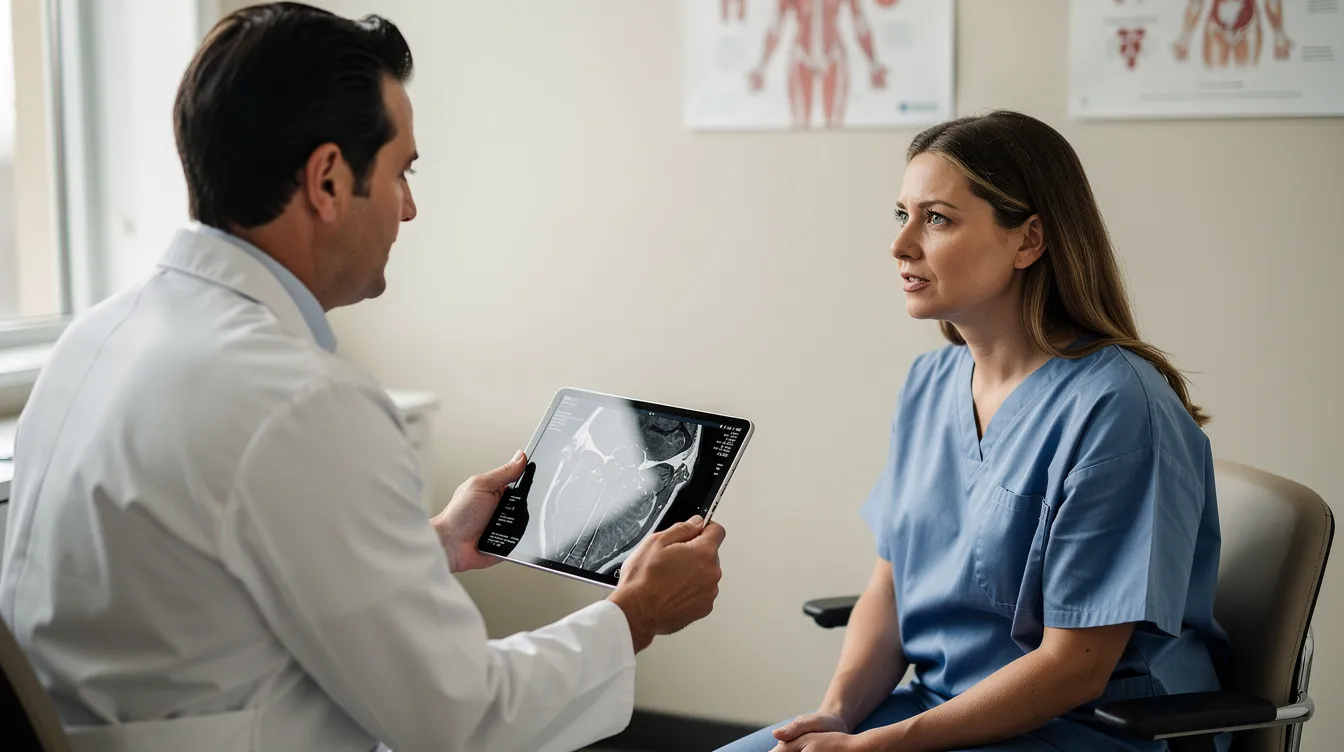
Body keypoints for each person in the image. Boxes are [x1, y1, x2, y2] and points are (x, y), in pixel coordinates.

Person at [0, 4, 724, 751]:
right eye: (401, 172)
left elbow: (220, 587)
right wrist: (635, 615)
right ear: (327, 181)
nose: (409, 209)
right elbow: (458, 719)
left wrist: (435, 544)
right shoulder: (303, 402)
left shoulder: (95, 339)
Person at [719, 111, 1229, 752]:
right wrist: (839, 715)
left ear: (1029, 241)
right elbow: (890, 585)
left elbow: (1076, 666)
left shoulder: (1118, 409)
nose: (901, 245)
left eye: (937, 218)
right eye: (901, 215)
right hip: (935, 713)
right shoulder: (929, 383)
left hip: (1086, 731)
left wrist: (879, 747)